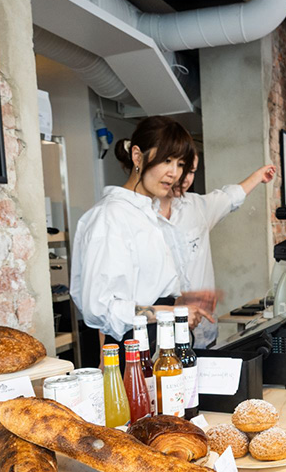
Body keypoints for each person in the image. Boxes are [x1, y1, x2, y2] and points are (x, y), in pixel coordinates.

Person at [71, 116, 214, 359]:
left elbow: (150, 287)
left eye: (180, 164)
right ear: (138, 156)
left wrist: (181, 303)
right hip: (136, 350)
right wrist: (169, 312)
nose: (174, 173)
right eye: (167, 160)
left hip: (162, 344)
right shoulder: (110, 216)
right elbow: (101, 308)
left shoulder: (148, 213)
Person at [156, 155, 276, 348]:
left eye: (192, 171)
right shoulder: (142, 218)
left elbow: (229, 197)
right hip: (163, 339)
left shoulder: (196, 207)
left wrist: (258, 177)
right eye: (180, 167)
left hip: (205, 331)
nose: (185, 178)